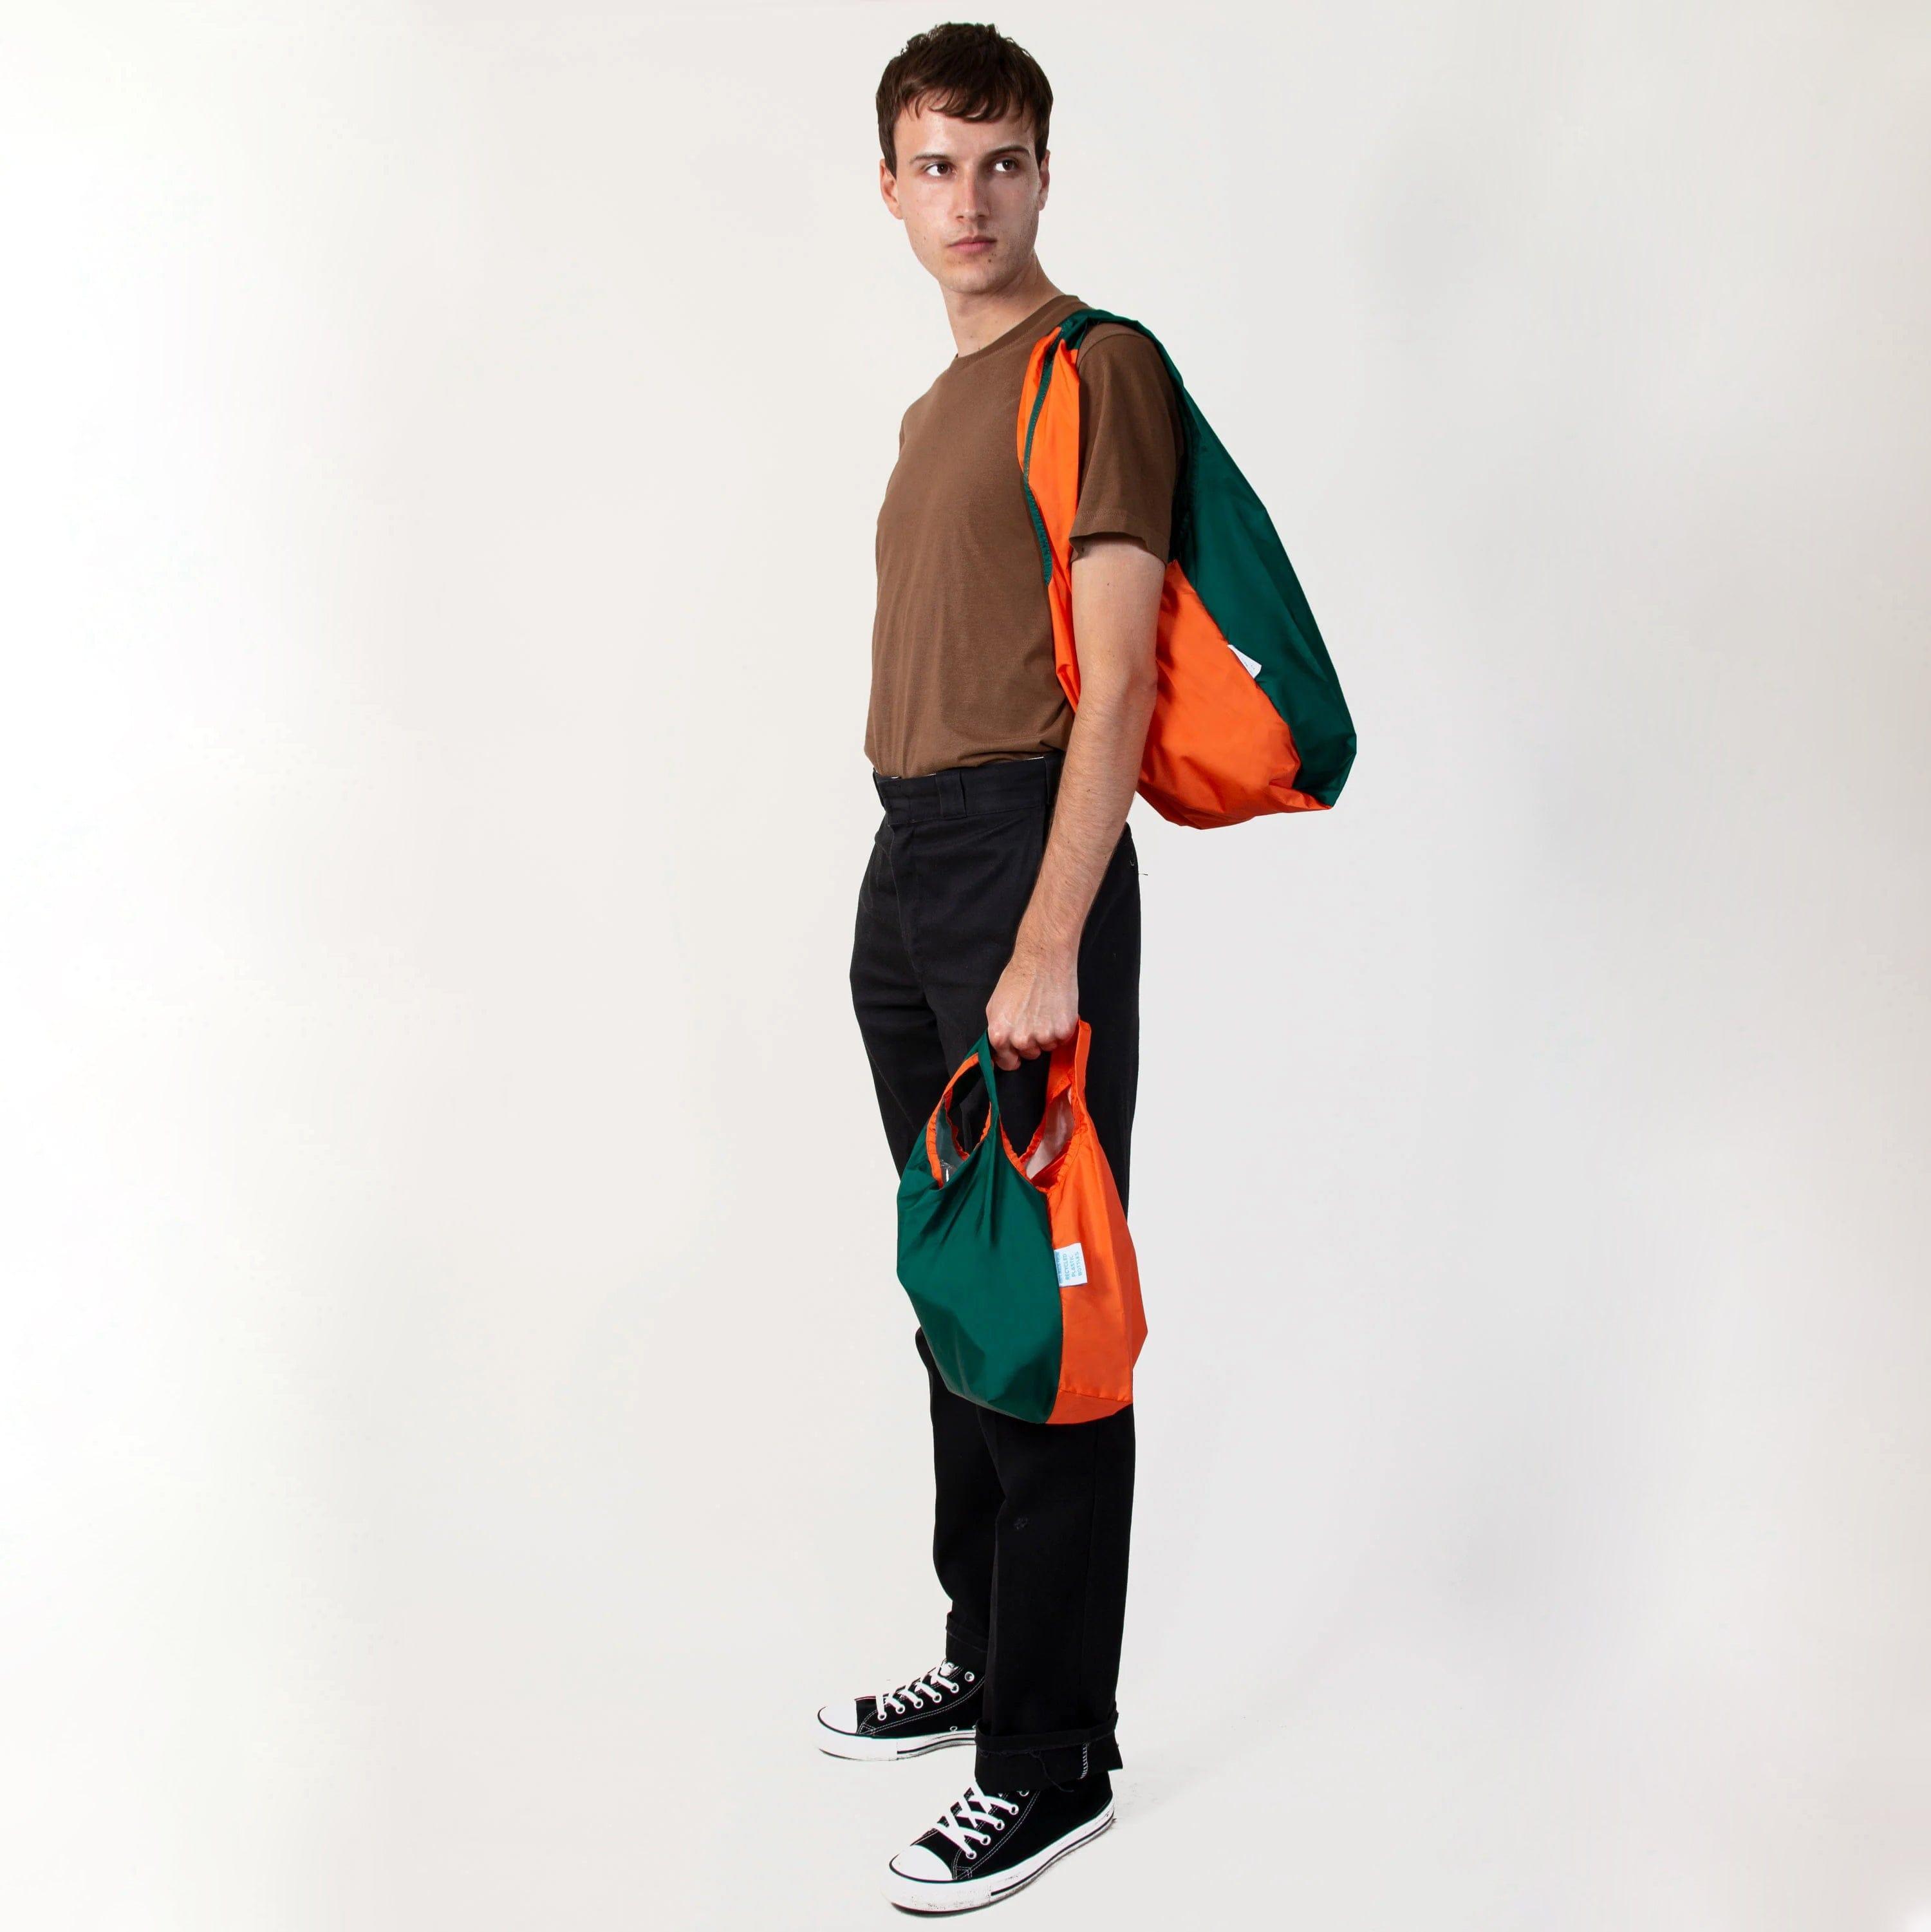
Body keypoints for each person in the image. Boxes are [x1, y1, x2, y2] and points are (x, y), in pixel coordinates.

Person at [817, 21, 1185, 1915]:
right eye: (937, 167)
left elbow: (1113, 682)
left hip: (1024, 861)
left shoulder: (1092, 368)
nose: (970, 199)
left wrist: (1049, 933)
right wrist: (922, 902)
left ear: (1046, 175)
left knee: (1048, 1316)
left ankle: (1051, 1759)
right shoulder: (931, 411)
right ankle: (984, 1649)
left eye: (1003, 161)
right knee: (959, 1290)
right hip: (913, 864)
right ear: (890, 189)